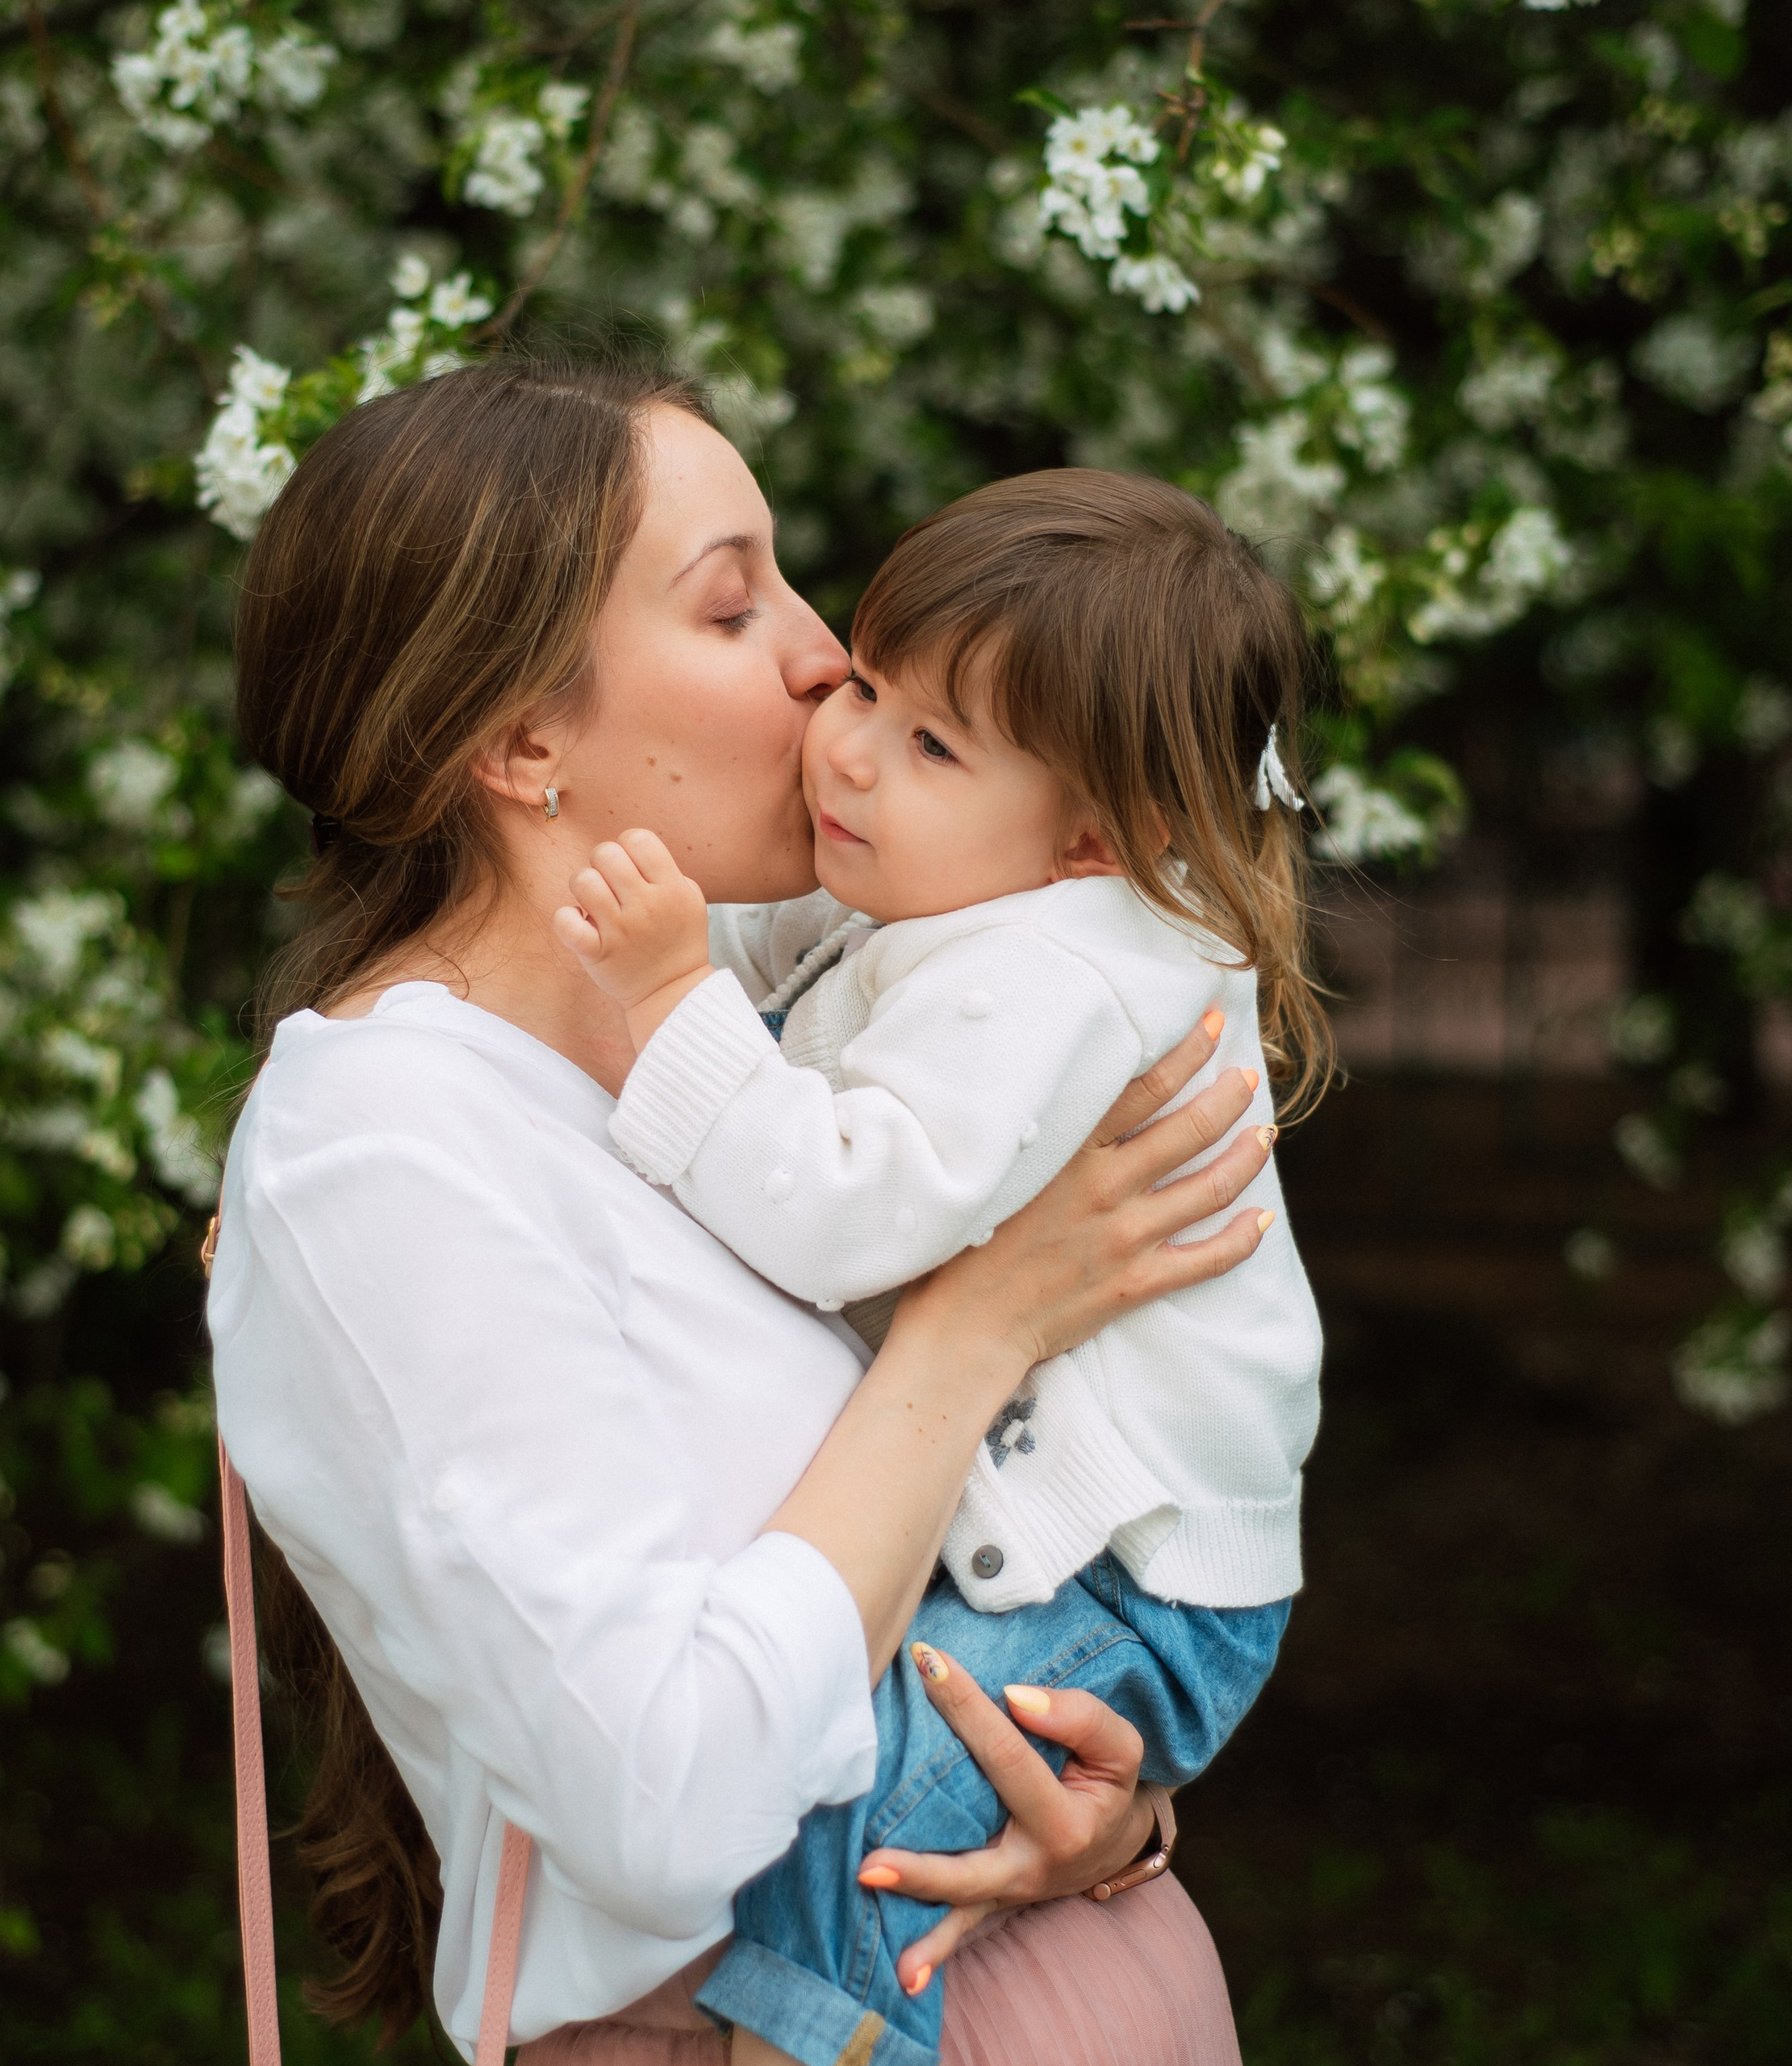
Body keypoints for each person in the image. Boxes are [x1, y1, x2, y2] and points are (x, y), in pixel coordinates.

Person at [208, 352, 1278, 2066]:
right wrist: (982, 1317)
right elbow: (667, 1796)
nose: (823, 656)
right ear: (517, 739)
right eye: (729, 608)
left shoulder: (771, 1029)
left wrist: (1104, 1811)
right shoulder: (384, 1140)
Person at [552, 470, 1326, 2066]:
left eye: (928, 743)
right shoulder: (956, 889)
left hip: (1129, 1575)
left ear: (1096, 838)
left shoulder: (1057, 971)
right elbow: (769, 961)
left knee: (863, 1809)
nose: (844, 744)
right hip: (1085, 1546)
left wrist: (663, 999)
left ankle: (812, 2037)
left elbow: (843, 1203)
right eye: (869, 681)